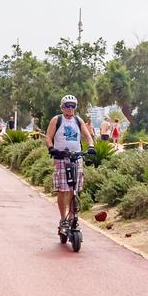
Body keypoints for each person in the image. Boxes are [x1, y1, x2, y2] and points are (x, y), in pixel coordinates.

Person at [45, 94, 96, 235]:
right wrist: (51, 148)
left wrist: (91, 146)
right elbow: (48, 137)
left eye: (73, 106)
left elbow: (87, 136)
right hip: (62, 158)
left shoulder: (78, 120)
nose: (71, 108)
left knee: (76, 188)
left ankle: (74, 216)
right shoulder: (57, 120)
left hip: (76, 158)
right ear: (62, 107)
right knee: (63, 189)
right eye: (68, 105)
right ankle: (63, 219)